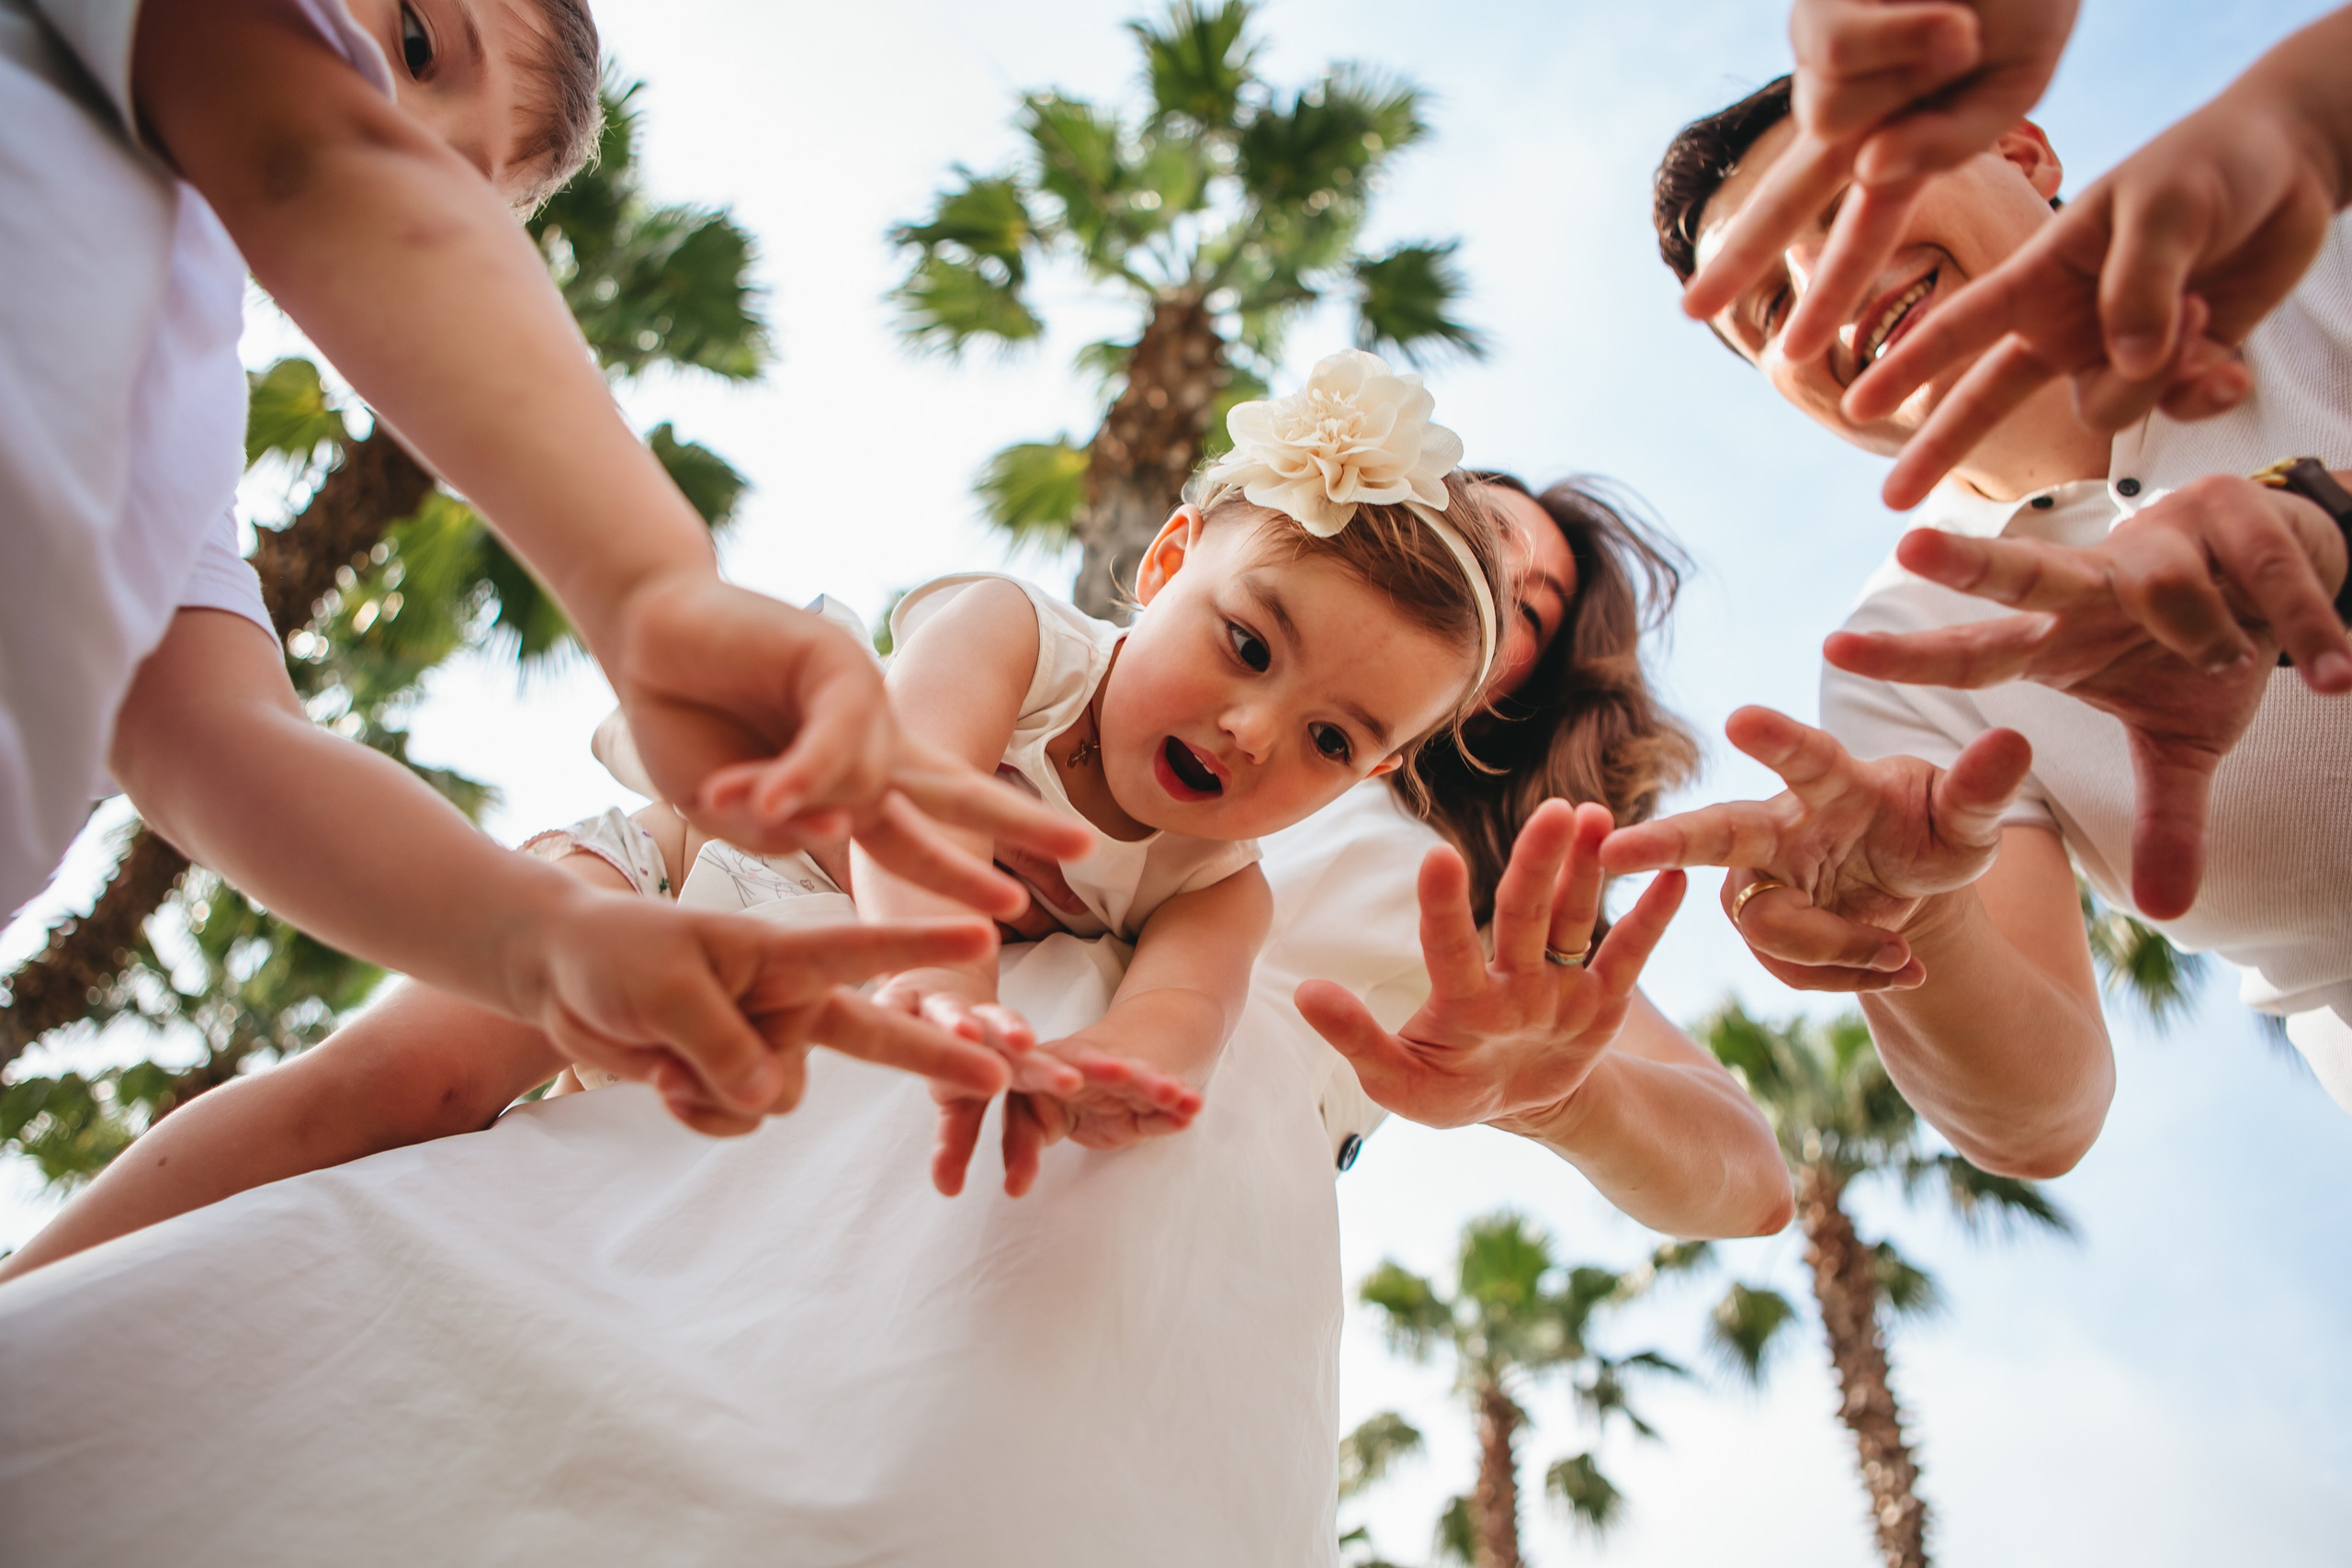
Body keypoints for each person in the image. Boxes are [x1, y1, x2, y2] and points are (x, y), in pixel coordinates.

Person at [0, 447, 1790, 1564]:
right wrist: (948, 1006)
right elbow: (909, 787)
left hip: (1018, 1257)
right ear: (1190, 559)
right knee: (400, 1075)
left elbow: (1737, 1174)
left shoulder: (1419, 878)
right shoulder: (1037, 640)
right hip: (760, 910)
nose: (1267, 728)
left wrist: (1528, 1080)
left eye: (1517, 616)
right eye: (1456, 511)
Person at [2, 0, 1090, 1125]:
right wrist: (650, 589)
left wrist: (544, 942)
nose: (398, 134)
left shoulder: (177, 446)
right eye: (419, 42)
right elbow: (317, 155)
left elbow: (223, 744)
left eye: (460, 185)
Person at [1624, 73, 2352, 1171]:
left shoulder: (2311, 247)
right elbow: (2043, 1116)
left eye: (1850, 195)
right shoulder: (1906, 656)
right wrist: (1920, 926)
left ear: (2022, 153)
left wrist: (2321, 524)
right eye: (1771, 309)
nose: (1823, 283)